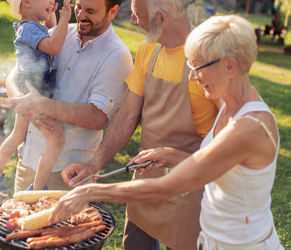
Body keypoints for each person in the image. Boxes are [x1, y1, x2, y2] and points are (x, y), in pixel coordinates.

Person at [51, 15, 285, 250]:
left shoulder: (248, 127)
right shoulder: (231, 105)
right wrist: (171, 155)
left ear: (229, 66)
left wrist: (89, 191)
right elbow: (222, 168)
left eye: (197, 67)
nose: (192, 76)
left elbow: (168, 187)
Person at [61, 0, 220, 250]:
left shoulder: (207, 61)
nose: (133, 21)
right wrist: (94, 164)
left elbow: (225, 147)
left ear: (161, 18)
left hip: (190, 188)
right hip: (144, 183)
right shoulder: (149, 48)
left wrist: (172, 156)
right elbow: (128, 114)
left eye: (138, 14)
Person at [8, 0, 134, 192]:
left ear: (113, 11)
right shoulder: (60, 32)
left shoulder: (117, 56)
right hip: (28, 160)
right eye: (78, 7)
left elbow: (97, 117)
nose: (81, 15)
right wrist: (24, 103)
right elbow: (15, 73)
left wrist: (42, 105)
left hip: (68, 174)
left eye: (91, 11)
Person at [0, 0, 72, 196]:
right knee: (57, 137)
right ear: (26, 2)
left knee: (17, 135)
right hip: (35, 93)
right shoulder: (28, 29)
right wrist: (65, 19)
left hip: (29, 88)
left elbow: (49, 28)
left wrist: (51, 14)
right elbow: (53, 46)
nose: (51, 1)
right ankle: (37, 188)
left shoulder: (33, 25)